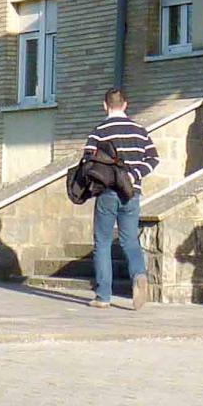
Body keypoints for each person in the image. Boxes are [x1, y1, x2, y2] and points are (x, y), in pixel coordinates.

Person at [83, 88, 159, 309]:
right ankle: (139, 274)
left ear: (105, 105)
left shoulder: (99, 131)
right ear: (125, 105)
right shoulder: (139, 131)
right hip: (131, 193)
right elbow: (153, 158)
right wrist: (134, 175)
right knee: (130, 240)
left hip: (107, 193)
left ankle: (103, 296)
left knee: (103, 242)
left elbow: (87, 160)